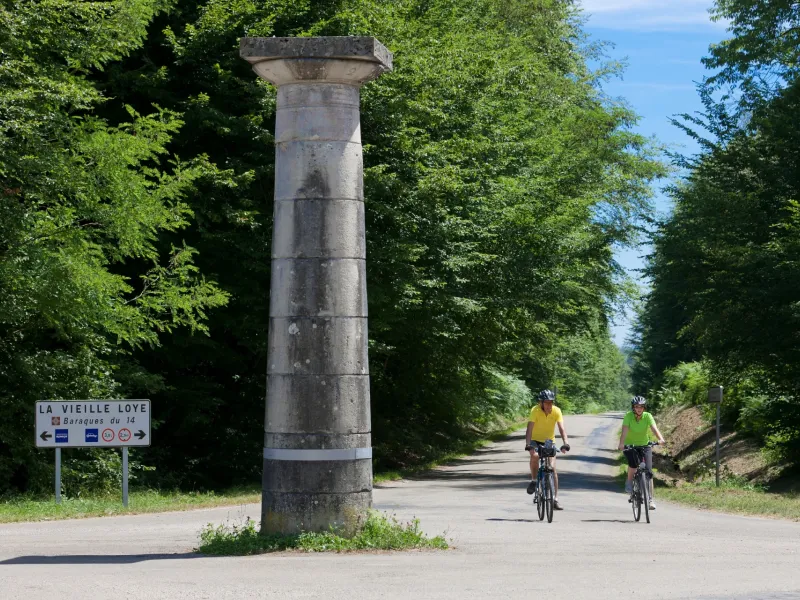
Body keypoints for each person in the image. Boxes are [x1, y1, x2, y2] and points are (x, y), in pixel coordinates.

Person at [617, 395, 666, 510]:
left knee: (649, 472)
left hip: (645, 445)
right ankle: (629, 482)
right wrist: (621, 443)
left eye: (641, 407)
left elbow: (654, 428)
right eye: (636, 406)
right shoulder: (628, 416)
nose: (639, 409)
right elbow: (624, 431)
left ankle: (650, 500)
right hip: (630, 445)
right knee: (633, 465)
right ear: (633, 407)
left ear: (644, 407)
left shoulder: (648, 416)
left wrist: (661, 439)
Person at [525, 389, 570, 509]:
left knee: (553, 468)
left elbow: (561, 428)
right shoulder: (535, 410)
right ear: (541, 403)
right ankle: (534, 480)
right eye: (547, 403)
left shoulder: (556, 411)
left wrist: (566, 443)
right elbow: (529, 429)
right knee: (534, 456)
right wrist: (528, 444)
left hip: (549, 441)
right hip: (535, 440)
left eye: (551, 402)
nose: (549, 405)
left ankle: (555, 499)